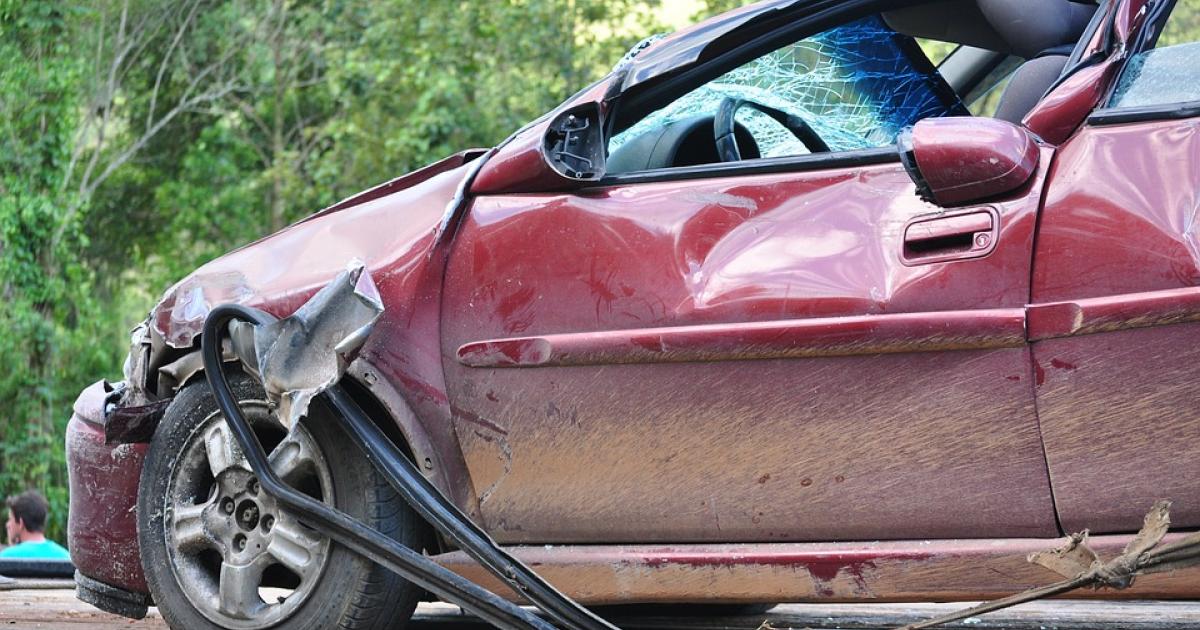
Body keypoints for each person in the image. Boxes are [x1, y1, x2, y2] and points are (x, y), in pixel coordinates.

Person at [1, 490, 70, 560]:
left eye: (10, 519)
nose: (7, 524)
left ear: (21, 523)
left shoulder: (5, 558)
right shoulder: (66, 557)